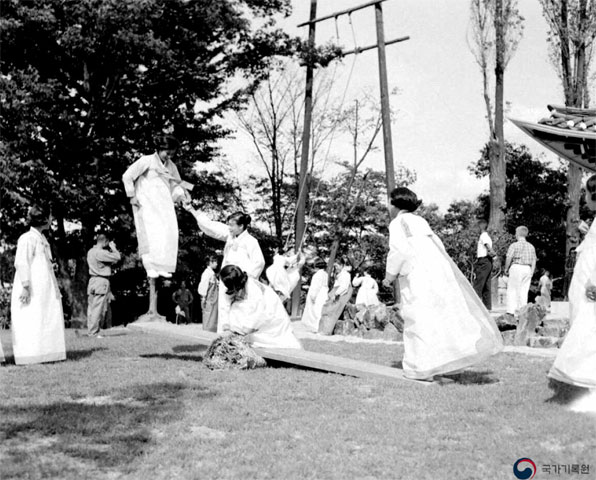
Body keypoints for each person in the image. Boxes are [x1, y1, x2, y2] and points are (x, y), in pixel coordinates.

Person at [382, 187, 503, 381]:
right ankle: (446, 361)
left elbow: (399, 251)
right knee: (441, 315)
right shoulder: (421, 221)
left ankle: (420, 367)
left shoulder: (398, 223)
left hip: (418, 273)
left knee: (418, 316)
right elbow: (438, 244)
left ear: (395, 204)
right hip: (438, 271)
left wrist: (389, 276)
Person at [548, 174, 596, 390]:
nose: (585, 197)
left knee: (588, 325)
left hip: (590, 281)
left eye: (586, 192)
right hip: (585, 279)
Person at [184, 206, 265, 333]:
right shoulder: (230, 236)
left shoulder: (251, 241)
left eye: (232, 225)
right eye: (229, 225)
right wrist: (192, 209)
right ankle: (223, 341)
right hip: (226, 281)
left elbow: (259, 263)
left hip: (242, 283)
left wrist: (245, 280)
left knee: (241, 311)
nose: (229, 228)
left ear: (241, 226)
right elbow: (210, 226)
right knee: (224, 310)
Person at [122, 134, 192, 278]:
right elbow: (127, 176)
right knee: (150, 233)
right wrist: (132, 195)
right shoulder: (146, 160)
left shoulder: (171, 166)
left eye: (172, 154)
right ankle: (150, 266)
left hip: (163, 205)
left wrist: (182, 197)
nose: (169, 156)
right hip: (146, 203)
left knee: (166, 233)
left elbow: (176, 184)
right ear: (159, 149)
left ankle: (162, 266)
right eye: (167, 153)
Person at [10, 207, 66, 365]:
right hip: (32, 285)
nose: (51, 220)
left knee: (45, 315)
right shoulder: (27, 238)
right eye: (49, 217)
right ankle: (31, 354)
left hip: (44, 285)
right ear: (42, 220)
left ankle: (47, 352)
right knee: (33, 315)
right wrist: (26, 286)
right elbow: (22, 262)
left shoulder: (41, 238)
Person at [219, 265, 302, 349]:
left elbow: (257, 314)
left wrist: (241, 332)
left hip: (269, 312)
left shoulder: (254, 290)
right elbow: (225, 304)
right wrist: (226, 327)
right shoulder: (231, 285)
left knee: (269, 338)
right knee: (236, 310)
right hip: (254, 313)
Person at [86, 233, 121, 337]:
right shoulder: (101, 253)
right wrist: (113, 248)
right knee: (97, 308)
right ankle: (93, 332)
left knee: (91, 307)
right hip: (101, 280)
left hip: (92, 280)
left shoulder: (90, 251)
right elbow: (117, 257)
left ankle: (90, 330)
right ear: (105, 242)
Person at [504, 226, 537, 317]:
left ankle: (511, 311)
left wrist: (506, 268)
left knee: (513, 289)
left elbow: (509, 257)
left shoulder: (514, 245)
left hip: (517, 267)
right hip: (527, 268)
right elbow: (534, 259)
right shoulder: (531, 246)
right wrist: (532, 271)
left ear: (517, 234)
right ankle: (523, 310)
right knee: (524, 291)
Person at [318, 258, 353, 334]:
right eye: (335, 266)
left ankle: (326, 330)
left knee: (332, 310)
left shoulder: (346, 274)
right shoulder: (338, 274)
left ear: (342, 265)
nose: (336, 268)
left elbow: (344, 287)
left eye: (337, 266)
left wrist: (336, 294)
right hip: (336, 291)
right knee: (325, 308)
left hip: (342, 294)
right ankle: (322, 329)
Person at [301, 258, 329, 333]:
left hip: (318, 293)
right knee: (319, 310)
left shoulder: (317, 275)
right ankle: (319, 326)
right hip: (323, 293)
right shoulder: (325, 274)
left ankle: (315, 327)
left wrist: (313, 296)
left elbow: (316, 286)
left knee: (314, 310)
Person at [473, 219, 495, 309]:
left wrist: (492, 252)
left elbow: (487, 245)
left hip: (483, 261)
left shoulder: (483, 236)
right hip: (488, 261)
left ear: (481, 227)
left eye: (477, 228)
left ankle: (475, 305)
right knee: (486, 284)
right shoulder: (487, 236)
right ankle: (487, 306)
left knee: (478, 283)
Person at [198, 256, 219, 332]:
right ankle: (206, 330)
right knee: (208, 313)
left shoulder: (212, 273)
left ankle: (211, 329)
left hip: (213, 298)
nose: (217, 264)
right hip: (209, 298)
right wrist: (203, 297)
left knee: (213, 315)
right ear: (210, 262)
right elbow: (203, 286)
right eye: (215, 262)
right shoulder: (207, 273)